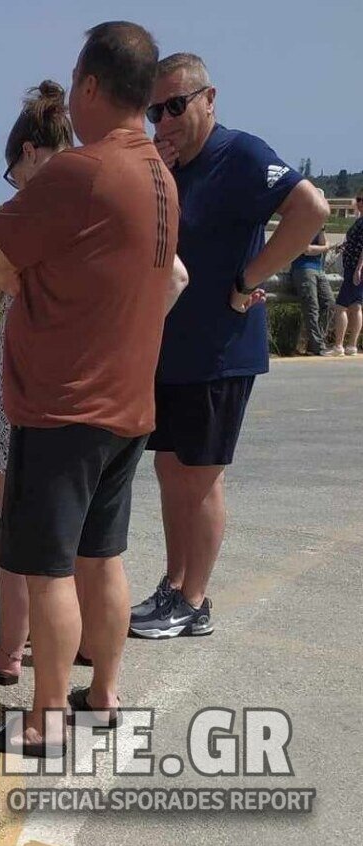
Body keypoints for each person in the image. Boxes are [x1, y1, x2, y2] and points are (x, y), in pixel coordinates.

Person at [0, 21, 185, 755]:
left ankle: (45, 719)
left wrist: (13, 274)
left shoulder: (82, 170)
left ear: (90, 85)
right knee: (104, 557)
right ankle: (103, 694)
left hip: (64, 404)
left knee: (47, 566)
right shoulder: (159, 174)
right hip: (128, 405)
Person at [131, 53, 329, 639]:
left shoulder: (239, 153)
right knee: (170, 469)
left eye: (174, 106)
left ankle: (195, 599)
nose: (162, 120)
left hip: (219, 349)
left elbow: (310, 208)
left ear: (208, 99)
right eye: (152, 110)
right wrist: (156, 171)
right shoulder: (163, 165)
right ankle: (172, 586)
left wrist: (250, 278)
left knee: (201, 476)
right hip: (169, 347)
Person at [0, 80, 77, 686]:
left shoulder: (27, 214)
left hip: (25, 384)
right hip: (90, 386)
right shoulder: (97, 199)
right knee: (85, 541)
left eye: (13, 172)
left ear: (31, 152)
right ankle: (88, 659)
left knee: (25, 537)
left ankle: (11, 654)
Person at [290, 225, 335, 356]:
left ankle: (315, 342)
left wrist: (321, 229)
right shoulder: (300, 224)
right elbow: (307, 249)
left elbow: (321, 245)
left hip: (319, 269)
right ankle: (318, 346)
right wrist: (326, 247)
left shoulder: (317, 225)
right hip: (303, 269)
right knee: (312, 307)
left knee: (330, 304)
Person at [330, 194, 363, 355]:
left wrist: (358, 268)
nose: (358, 203)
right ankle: (352, 345)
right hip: (354, 267)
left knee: (340, 306)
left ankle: (339, 345)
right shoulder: (359, 221)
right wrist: (344, 246)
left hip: (355, 268)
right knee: (356, 306)